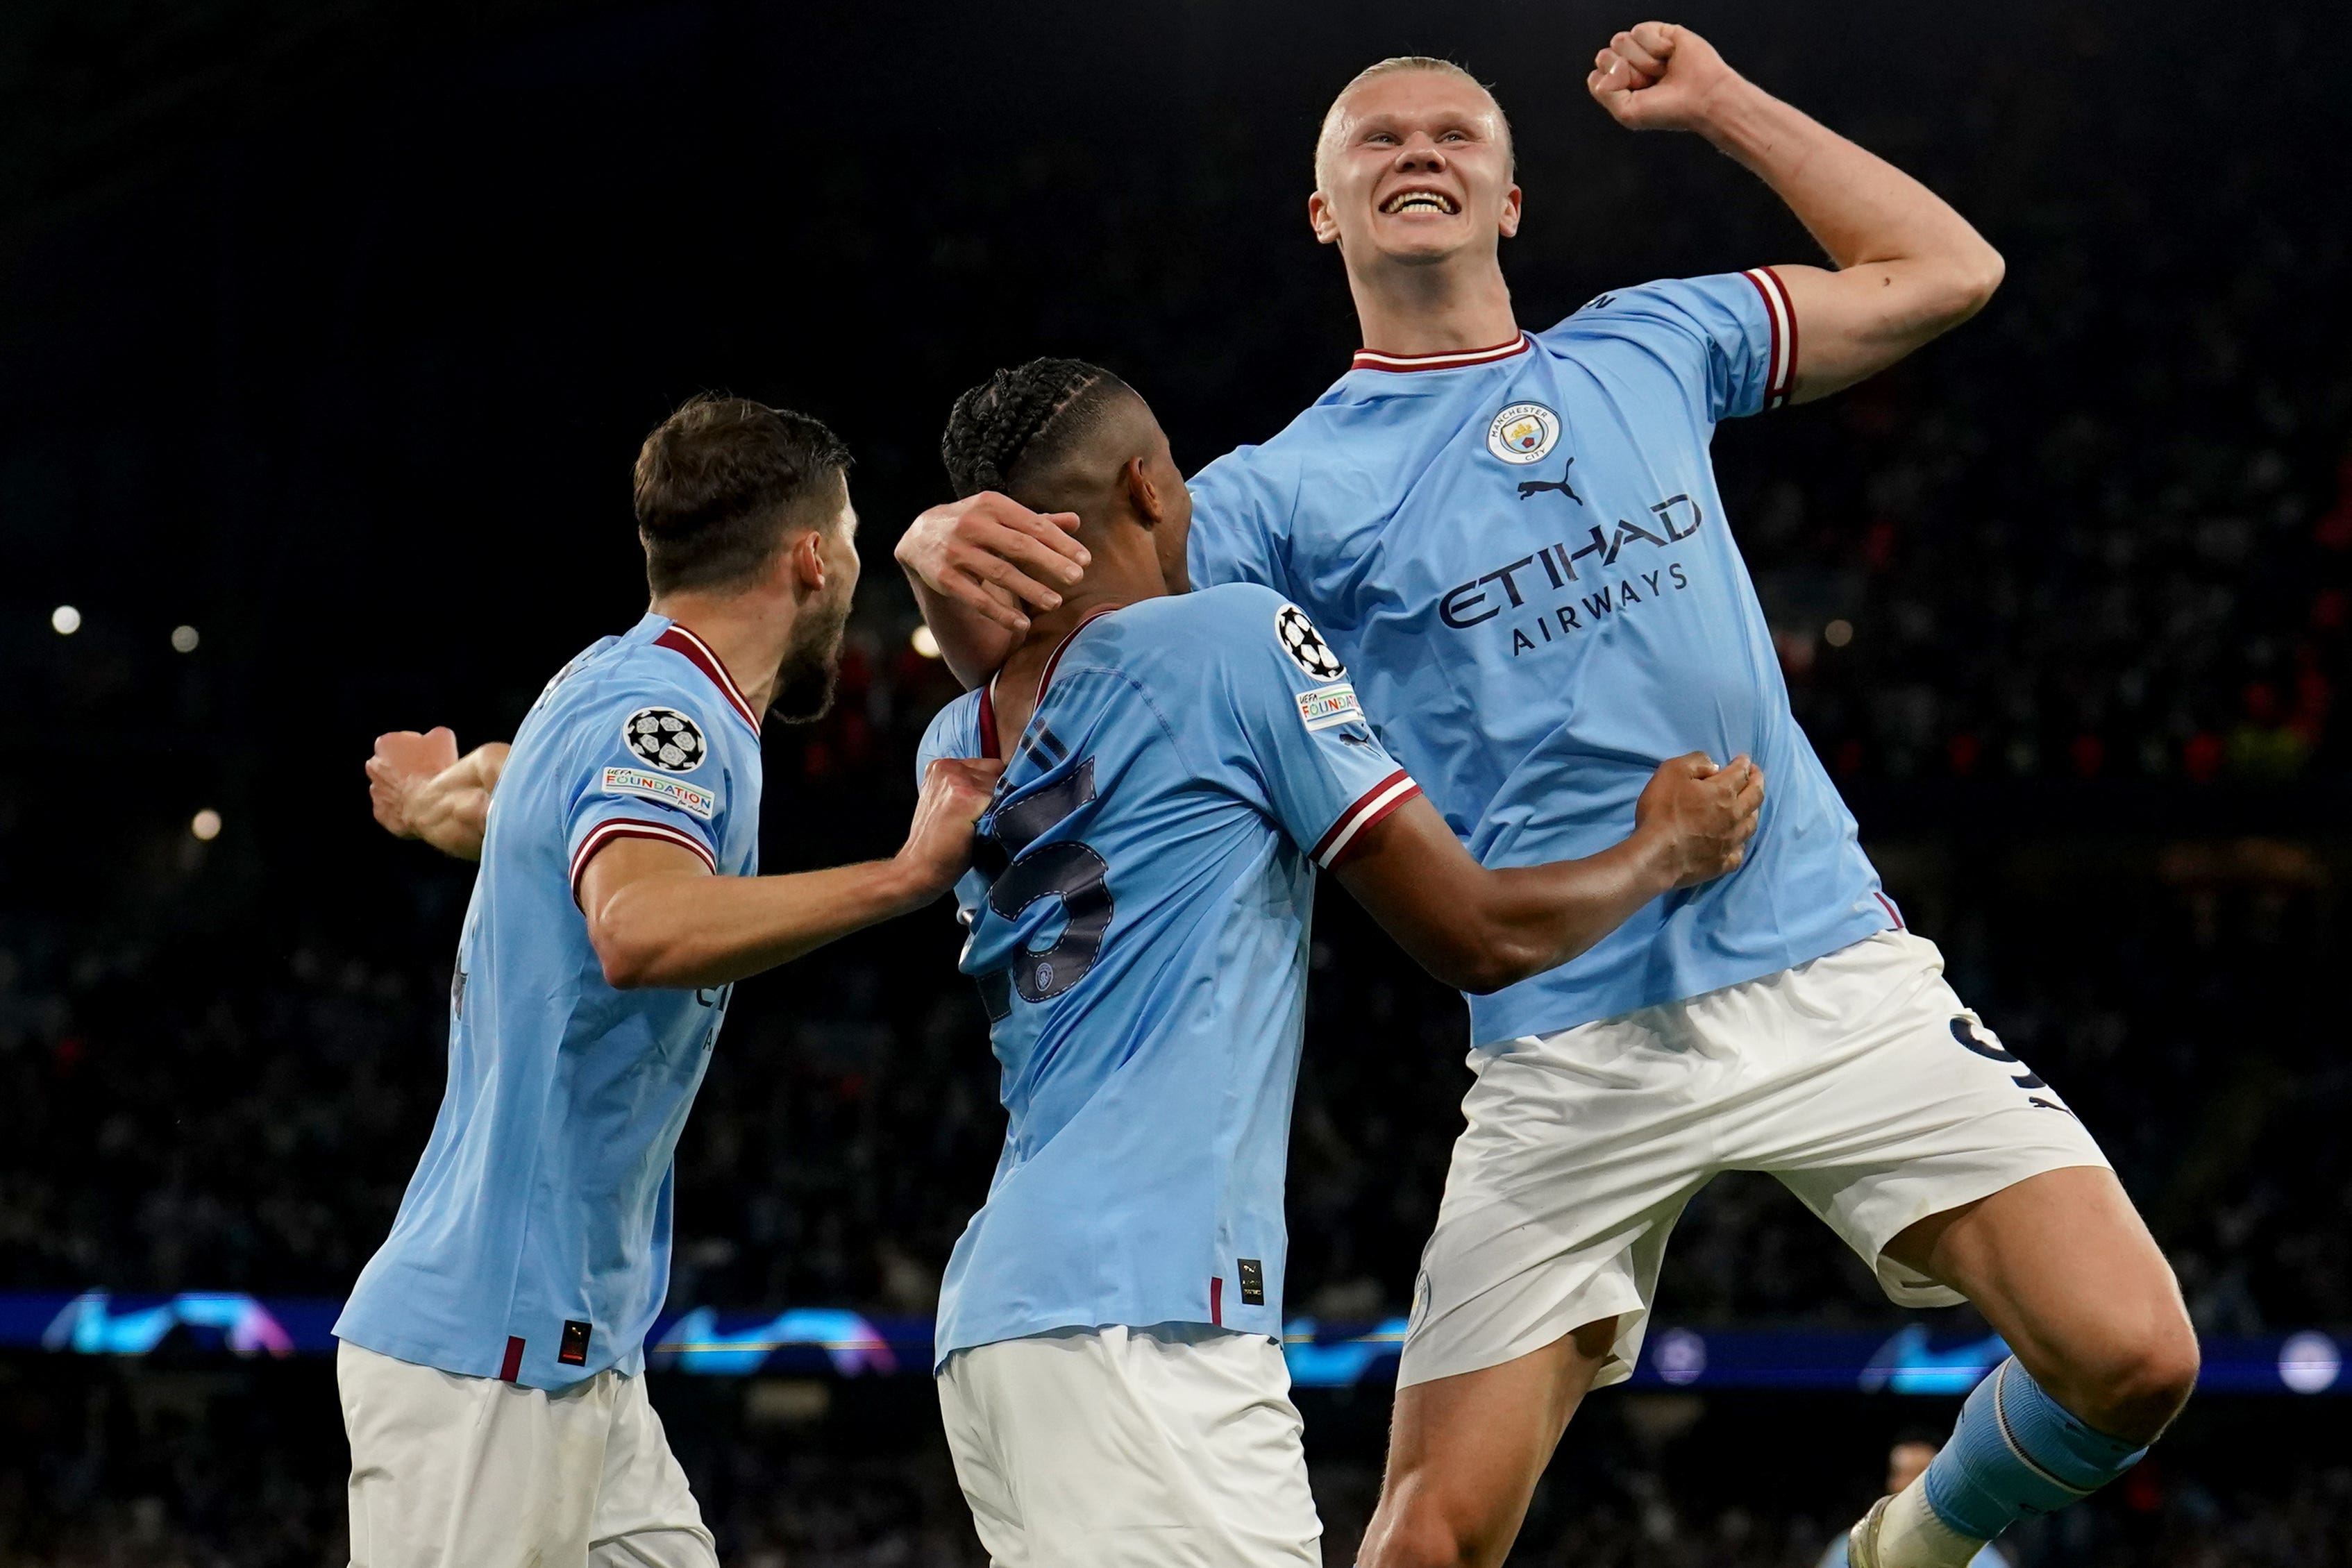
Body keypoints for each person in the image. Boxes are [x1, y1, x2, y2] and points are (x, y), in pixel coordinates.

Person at [894, 26, 2199, 1568]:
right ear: (1323, 214)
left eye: (1452, 132)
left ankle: (1897, 1549)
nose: (1417, 152)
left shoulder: (1643, 341)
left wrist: (1718, 106)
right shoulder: (1268, 493)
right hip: (1563, 1041)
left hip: (1825, 963)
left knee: (2133, 1355)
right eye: (1373, 142)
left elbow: (1946, 267)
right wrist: (934, 545)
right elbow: (1075, 648)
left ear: (1511, 198)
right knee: (1427, 1539)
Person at [920, 358, 1761, 1568]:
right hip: (1141, 1313)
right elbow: (1473, 932)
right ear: (1151, 487)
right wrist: (1658, 849)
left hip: (1007, 1314)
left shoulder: (959, 733)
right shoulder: (1227, 638)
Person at [342, 394, 997, 1567]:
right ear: (812, 557)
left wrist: (425, 804)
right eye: (849, 538)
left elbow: (512, 798)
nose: (851, 568)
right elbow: (636, 925)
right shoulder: (671, 714)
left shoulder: (608, 681)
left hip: (573, 1344)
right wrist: (905, 873)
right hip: (491, 1340)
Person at [1821, 1437, 2008, 1568]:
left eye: (1921, 1473)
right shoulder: (1849, 1549)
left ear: (1939, 1483)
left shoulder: (1978, 1555)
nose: (1911, 1484)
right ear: (1891, 1481)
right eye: (1903, 1473)